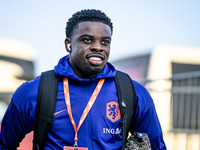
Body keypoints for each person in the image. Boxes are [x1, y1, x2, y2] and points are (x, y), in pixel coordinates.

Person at [0, 9, 166, 149]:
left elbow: (156, 146)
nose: (98, 47)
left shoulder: (132, 92)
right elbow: (4, 145)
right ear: (68, 44)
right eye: (87, 40)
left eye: (105, 42)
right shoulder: (36, 91)